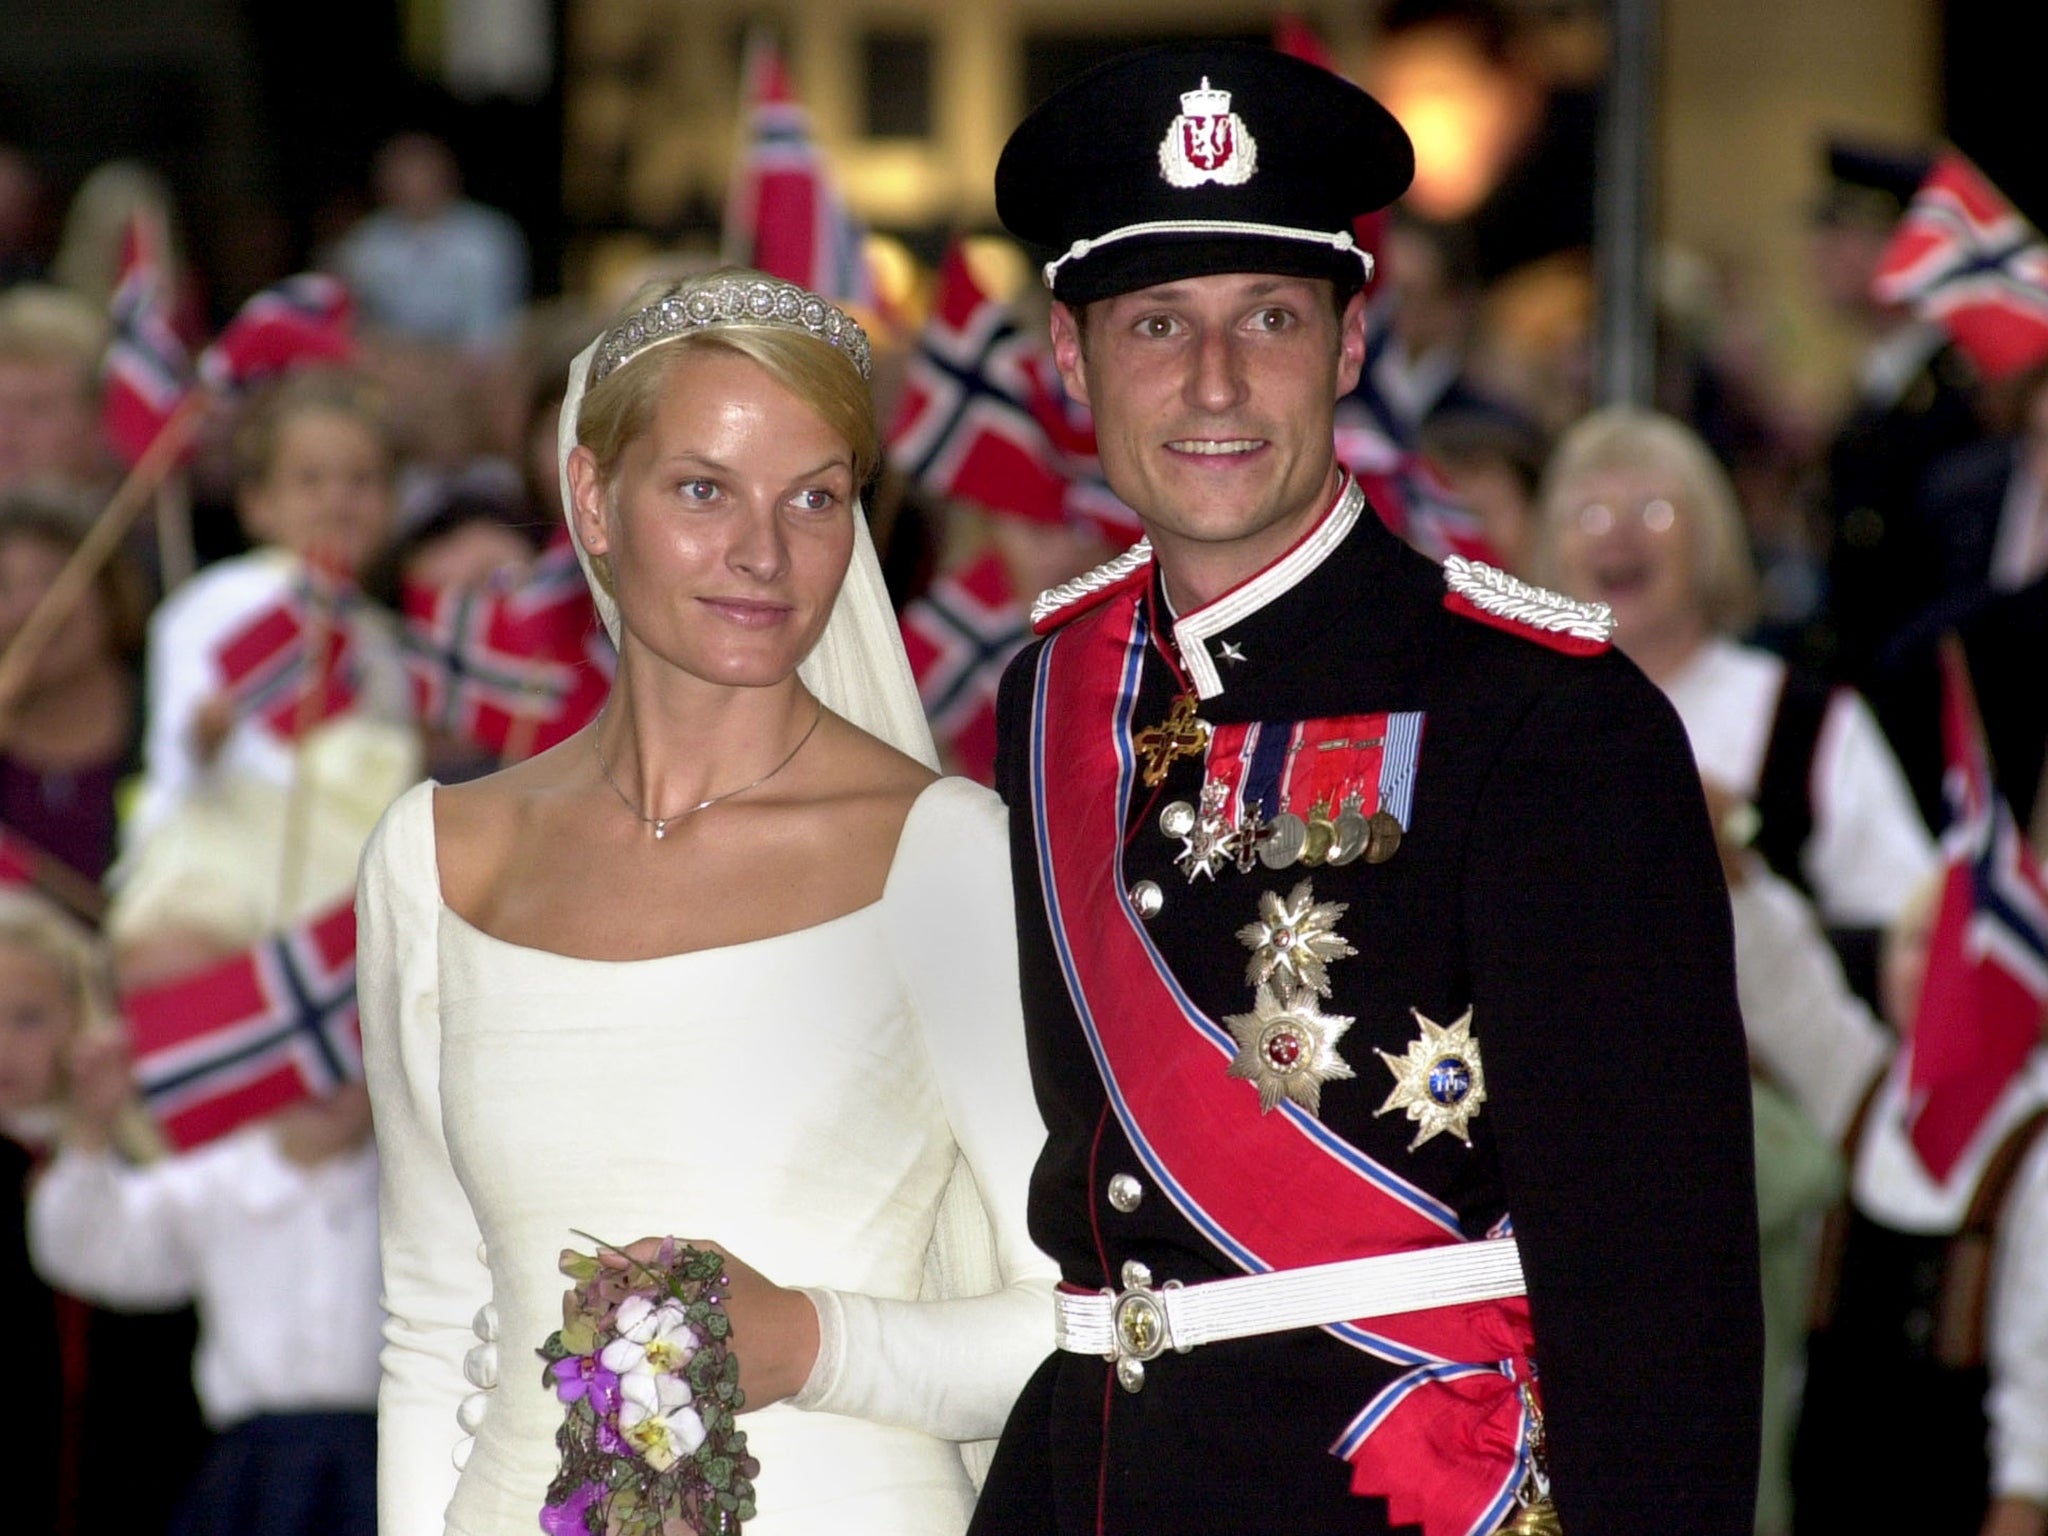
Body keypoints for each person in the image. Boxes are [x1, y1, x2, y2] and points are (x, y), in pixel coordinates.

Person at [972, 41, 1760, 1536]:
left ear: (1348, 345)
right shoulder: (1048, 697)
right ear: (1068, 361)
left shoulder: (1544, 720)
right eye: (1156, 324)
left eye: (1270, 316)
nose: (1215, 382)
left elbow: (1662, 1291)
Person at [359, 267, 1057, 1536]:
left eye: (815, 499)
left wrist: (809, 1343)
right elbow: (426, 1326)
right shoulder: (434, 854)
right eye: (701, 490)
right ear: (592, 498)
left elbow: (1076, 1325)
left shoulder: (941, 853)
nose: (762, 554)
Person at [1534, 406, 1936, 999]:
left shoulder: (1806, 719)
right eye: (1589, 513)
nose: (1618, 534)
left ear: (1710, 538)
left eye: (1654, 510)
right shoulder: (1512, 719)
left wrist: (1744, 875)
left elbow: (1910, 927)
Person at [108, 367, 419, 985]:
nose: (338, 500)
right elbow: (180, 751)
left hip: (352, 860)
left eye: (361, 480)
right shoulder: (224, 598)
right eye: (310, 481)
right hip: (232, 843)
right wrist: (208, 734)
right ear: (257, 503)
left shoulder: (384, 636)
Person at [30, 1027, 381, 1536]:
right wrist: (90, 1131)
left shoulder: (419, 1189)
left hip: (386, 1464)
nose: (321, 1079)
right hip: (254, 1477)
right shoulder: (215, 1181)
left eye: (345, 1059)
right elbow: (88, 1249)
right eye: (298, 1058)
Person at [1790, 878, 2048, 1536]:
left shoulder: (2030, 1145)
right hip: (1827, 1478)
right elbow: (1781, 980)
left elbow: (2037, 1353)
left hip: (1948, 1490)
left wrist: (2024, 1496)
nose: (1927, 969)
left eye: (1954, 952)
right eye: (1912, 943)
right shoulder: (1865, 1081)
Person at [0, 888, 208, 1536]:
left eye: (27, 1018)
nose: (1, 1043)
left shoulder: (139, 1157)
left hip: (133, 1482)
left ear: (79, 1019)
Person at [0, 485, 151, 885]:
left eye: (52, 579)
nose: (30, 608)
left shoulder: (165, 713)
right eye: (3, 588)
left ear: (108, 589)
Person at [329, 133, 529, 353]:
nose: (414, 184)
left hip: (471, 360)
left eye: (423, 172)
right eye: (403, 175)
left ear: (447, 177)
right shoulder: (364, 243)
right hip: (394, 360)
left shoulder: (487, 236)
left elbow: (494, 322)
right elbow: (352, 321)